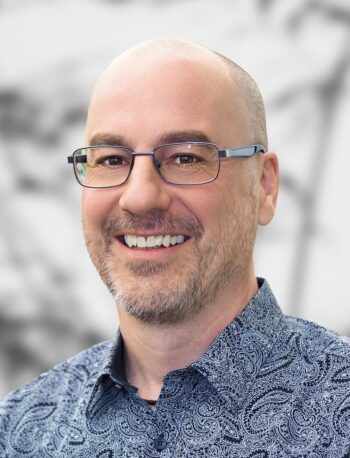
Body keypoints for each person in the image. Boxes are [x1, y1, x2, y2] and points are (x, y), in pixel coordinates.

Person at [1, 38, 349, 457]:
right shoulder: (20, 433)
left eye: (185, 157)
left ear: (264, 186)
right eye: (112, 159)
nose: (140, 197)